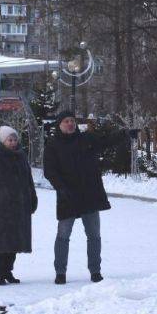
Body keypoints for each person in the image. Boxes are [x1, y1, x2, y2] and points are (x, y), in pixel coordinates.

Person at [43, 111, 137, 284]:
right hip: (67, 196)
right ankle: (60, 272)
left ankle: (95, 271)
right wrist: (61, 188)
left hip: (89, 194)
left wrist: (124, 134)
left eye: (72, 121)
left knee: (94, 235)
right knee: (63, 236)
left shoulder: (87, 139)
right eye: (66, 121)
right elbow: (49, 170)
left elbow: (106, 142)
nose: (70, 124)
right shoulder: (53, 144)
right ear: (59, 124)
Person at [0, 126, 38, 285]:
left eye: (14, 139)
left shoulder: (21, 156)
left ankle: (8, 271)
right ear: (2, 140)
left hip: (19, 209)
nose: (12, 143)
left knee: (14, 243)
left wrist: (32, 199)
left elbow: (28, 181)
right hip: (0, 209)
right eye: (9, 140)